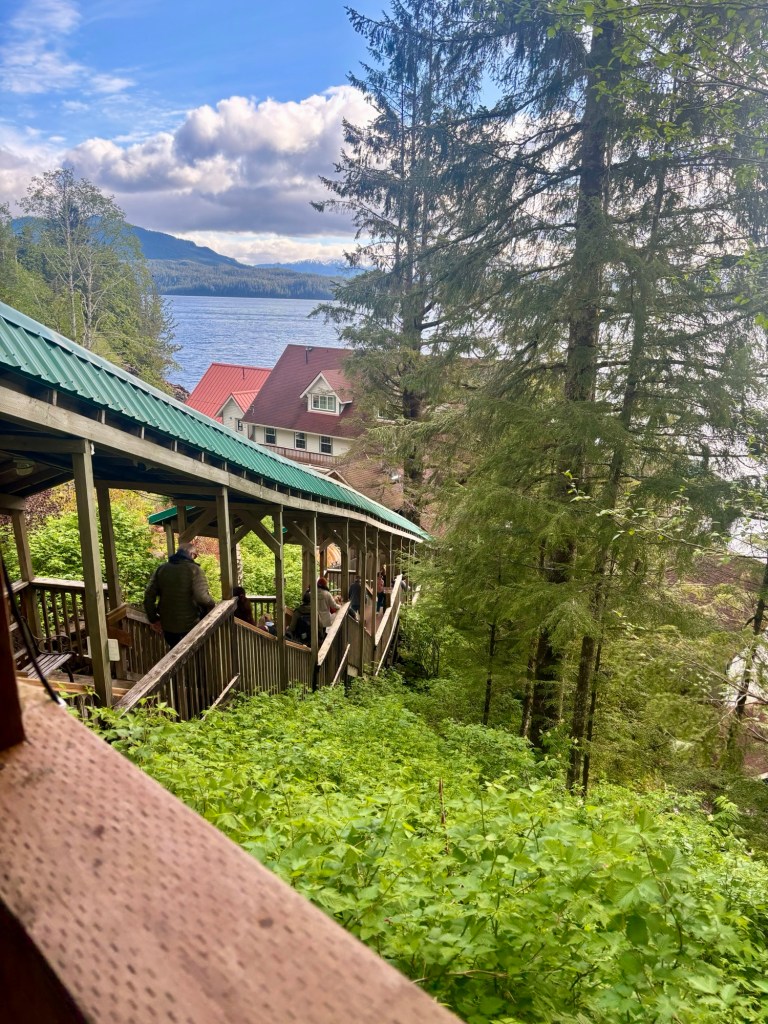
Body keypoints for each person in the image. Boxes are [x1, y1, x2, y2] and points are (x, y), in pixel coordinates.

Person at [144, 542, 215, 648]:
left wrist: (153, 619)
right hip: (191, 625)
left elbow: (149, 596)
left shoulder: (162, 569)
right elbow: (202, 597)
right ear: (191, 554)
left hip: (167, 626)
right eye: (195, 555)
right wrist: (212, 604)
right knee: (193, 656)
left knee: (174, 654)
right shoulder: (195, 570)